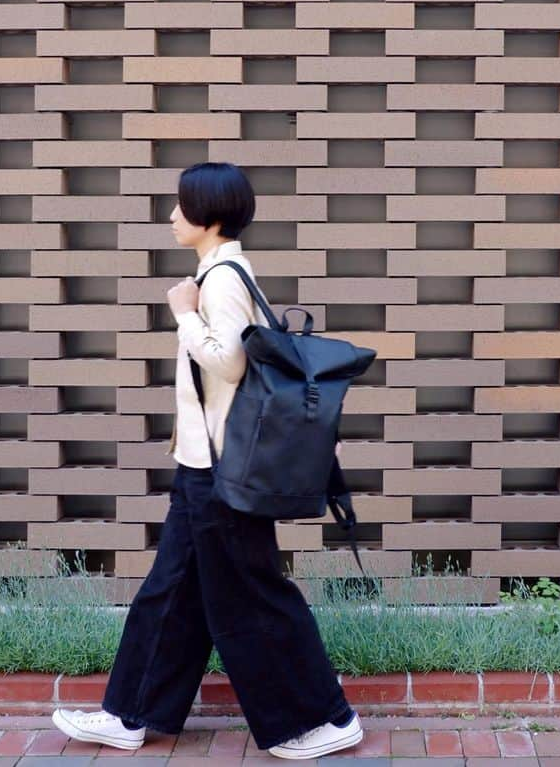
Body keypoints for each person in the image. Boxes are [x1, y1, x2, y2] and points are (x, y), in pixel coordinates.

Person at [51, 162, 363, 758]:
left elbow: (229, 363)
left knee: (252, 596)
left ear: (210, 213)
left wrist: (183, 312)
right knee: (171, 593)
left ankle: (323, 720)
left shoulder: (220, 279)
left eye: (180, 205)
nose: (171, 216)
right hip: (204, 464)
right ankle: (132, 714)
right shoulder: (222, 271)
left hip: (223, 471)